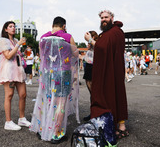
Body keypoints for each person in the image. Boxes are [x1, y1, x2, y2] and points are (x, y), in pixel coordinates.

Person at [29, 16, 79, 144]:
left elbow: (42, 55)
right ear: (63, 26)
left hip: (47, 73)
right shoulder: (67, 37)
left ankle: (43, 129)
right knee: (61, 102)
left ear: (53, 25)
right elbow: (75, 54)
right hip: (63, 73)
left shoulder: (43, 37)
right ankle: (56, 133)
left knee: (47, 100)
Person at [84, 10, 129, 140]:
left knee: (113, 95)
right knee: (114, 95)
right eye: (102, 18)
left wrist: (90, 40)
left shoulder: (115, 32)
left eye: (106, 17)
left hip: (112, 70)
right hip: (111, 69)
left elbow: (102, 48)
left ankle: (117, 126)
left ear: (112, 18)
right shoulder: (110, 33)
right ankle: (118, 126)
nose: (104, 20)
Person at [0, 21, 31, 131]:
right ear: (5, 29)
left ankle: (21, 118)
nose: (13, 28)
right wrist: (18, 45)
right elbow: (8, 56)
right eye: (10, 26)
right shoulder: (3, 40)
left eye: (14, 26)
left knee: (23, 94)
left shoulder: (16, 40)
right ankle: (8, 122)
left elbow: (16, 53)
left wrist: (23, 53)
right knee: (9, 94)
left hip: (18, 69)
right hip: (9, 69)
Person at [83, 30, 98, 121]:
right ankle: (93, 112)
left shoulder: (96, 45)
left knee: (94, 93)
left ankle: (95, 113)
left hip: (93, 68)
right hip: (88, 67)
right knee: (91, 94)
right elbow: (85, 57)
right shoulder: (90, 48)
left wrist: (90, 40)